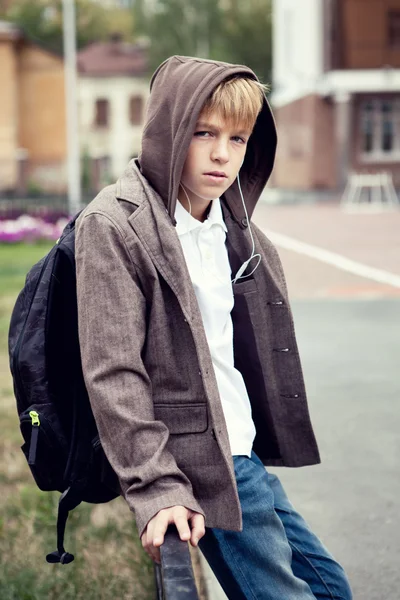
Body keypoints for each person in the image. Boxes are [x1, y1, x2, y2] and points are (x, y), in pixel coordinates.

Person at [75, 56, 352, 599]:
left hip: (241, 448)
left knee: (331, 589)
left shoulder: (229, 223)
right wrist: (157, 487)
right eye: (205, 133)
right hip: (199, 460)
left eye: (239, 138)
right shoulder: (114, 226)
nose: (223, 154)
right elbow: (114, 373)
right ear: (170, 129)